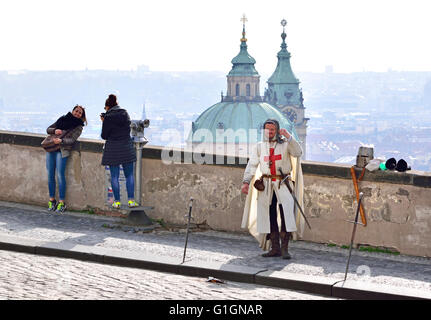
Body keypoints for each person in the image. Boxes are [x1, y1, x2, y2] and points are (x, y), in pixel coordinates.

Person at [241, 119, 304, 259]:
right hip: (267, 184)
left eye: (272, 129)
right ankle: (274, 248)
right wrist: (246, 181)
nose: (269, 132)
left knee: (286, 215)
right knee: (269, 217)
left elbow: (298, 152)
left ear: (277, 130)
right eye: (267, 129)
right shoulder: (259, 147)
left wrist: (288, 136)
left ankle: (285, 249)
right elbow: (252, 165)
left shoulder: (286, 144)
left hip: (283, 184)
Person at [46, 105, 86, 213]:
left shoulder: (78, 126)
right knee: (50, 175)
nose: (77, 113)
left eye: (80, 113)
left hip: (62, 151)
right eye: (76, 111)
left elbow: (72, 140)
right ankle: (51, 200)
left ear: (81, 116)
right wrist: (55, 130)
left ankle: (62, 203)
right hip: (51, 149)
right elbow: (48, 129)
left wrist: (61, 141)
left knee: (60, 175)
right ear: (72, 111)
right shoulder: (63, 118)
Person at [101, 94, 138, 209]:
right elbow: (128, 129)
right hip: (126, 146)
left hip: (113, 148)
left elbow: (104, 135)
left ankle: (117, 201)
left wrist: (104, 121)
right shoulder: (125, 113)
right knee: (129, 175)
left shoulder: (108, 117)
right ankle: (131, 201)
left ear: (107, 106)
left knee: (114, 176)